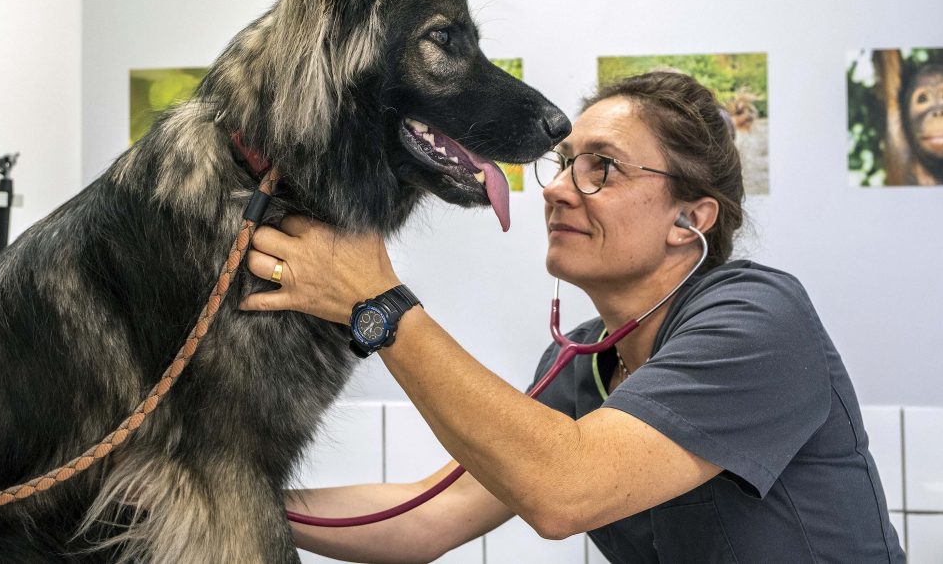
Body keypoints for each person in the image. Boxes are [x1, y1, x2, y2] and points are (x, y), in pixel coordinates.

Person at [241, 72, 905, 563]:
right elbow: (429, 514)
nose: (557, 187)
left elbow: (564, 489)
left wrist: (380, 305)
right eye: (563, 164)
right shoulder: (582, 361)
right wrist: (232, 498)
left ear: (690, 218)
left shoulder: (758, 321)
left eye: (602, 168)